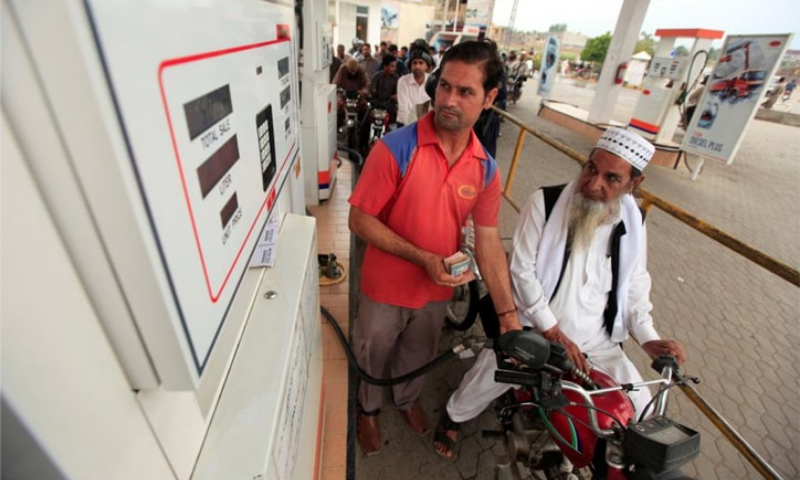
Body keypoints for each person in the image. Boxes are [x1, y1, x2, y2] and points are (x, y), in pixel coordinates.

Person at [433, 127, 687, 460]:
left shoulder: (634, 220)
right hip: (537, 328)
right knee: (490, 376)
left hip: (598, 341)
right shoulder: (546, 203)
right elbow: (521, 272)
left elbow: (635, 283)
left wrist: (648, 338)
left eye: (611, 178)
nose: (593, 184)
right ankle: (453, 416)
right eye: (591, 169)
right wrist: (551, 329)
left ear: (633, 185)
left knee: (640, 407)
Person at [348, 40, 521, 456]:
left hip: (436, 291)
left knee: (418, 353)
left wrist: (509, 318)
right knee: (372, 352)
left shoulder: (486, 169)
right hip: (384, 287)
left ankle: (406, 401)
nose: (448, 100)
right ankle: (367, 410)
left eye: (465, 92)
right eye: (445, 86)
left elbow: (489, 242)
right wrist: (422, 257)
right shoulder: (395, 148)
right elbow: (359, 220)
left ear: (490, 97)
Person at [396, 49, 433, 126]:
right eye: (414, 63)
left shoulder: (432, 81)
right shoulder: (403, 81)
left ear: (427, 66)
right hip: (405, 124)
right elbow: (403, 110)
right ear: (410, 66)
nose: (417, 66)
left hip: (427, 125)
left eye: (421, 63)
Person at [333, 59, 369, 128]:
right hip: (344, 94)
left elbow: (367, 83)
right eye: (350, 71)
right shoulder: (342, 69)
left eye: (354, 71)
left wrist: (363, 91)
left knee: (365, 108)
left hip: (358, 94)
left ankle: (362, 128)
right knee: (339, 106)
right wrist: (336, 89)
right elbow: (335, 82)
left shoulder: (361, 69)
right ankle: (338, 127)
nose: (352, 73)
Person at [369, 54, 400, 124]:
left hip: (390, 106)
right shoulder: (377, 77)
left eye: (395, 66)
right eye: (392, 66)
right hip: (376, 105)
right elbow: (371, 91)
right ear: (385, 67)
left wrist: (395, 97)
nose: (395, 68)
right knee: (366, 122)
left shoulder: (396, 78)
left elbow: (397, 93)